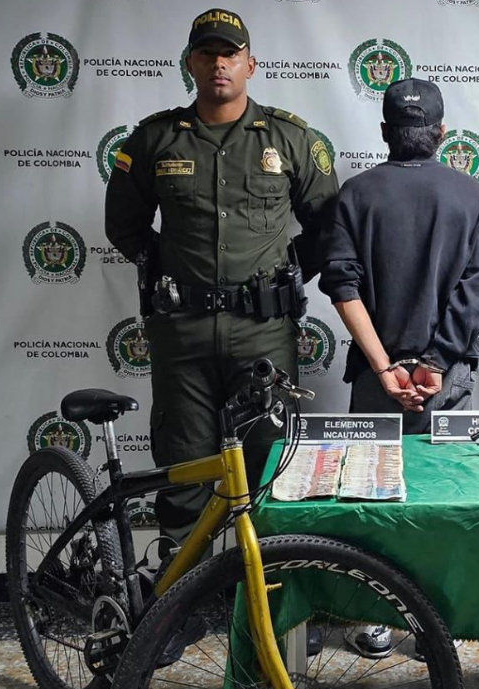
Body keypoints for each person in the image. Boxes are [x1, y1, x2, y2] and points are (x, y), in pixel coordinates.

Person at [105, 8, 338, 557]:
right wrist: (175, 277)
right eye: (207, 53)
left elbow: (327, 227)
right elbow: (126, 227)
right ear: (189, 62)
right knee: (184, 476)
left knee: (268, 472)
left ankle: (271, 613)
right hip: (181, 335)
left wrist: (282, 276)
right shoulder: (154, 140)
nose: (218, 64)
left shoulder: (291, 138)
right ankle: (176, 618)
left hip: (263, 334)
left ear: (250, 64)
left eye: (230, 53)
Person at [319, 78, 479, 657]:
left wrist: (384, 368)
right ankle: (436, 620)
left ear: (384, 133)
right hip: (447, 382)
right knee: (443, 498)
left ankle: (374, 617)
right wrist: (437, 363)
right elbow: (477, 291)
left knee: (373, 500)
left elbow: (342, 286)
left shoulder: (354, 194)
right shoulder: (471, 195)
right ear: (442, 134)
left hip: (378, 381)